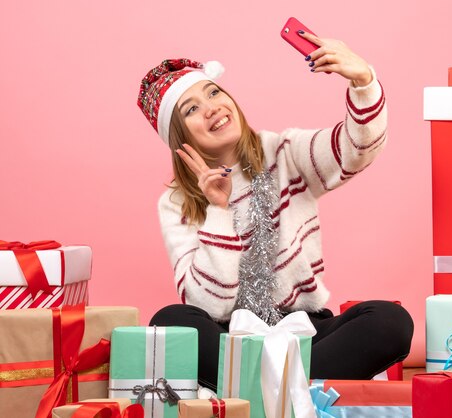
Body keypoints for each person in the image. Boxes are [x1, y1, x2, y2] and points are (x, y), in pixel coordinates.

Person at [140, 30, 413, 391]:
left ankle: (257, 391)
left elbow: (354, 149)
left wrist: (364, 82)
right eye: (191, 109)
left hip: (304, 331)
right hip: (231, 336)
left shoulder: (284, 152)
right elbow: (208, 304)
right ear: (179, 136)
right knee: (170, 321)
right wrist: (219, 211)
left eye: (213, 92)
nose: (212, 108)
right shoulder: (175, 202)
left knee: (390, 320)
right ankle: (295, 391)